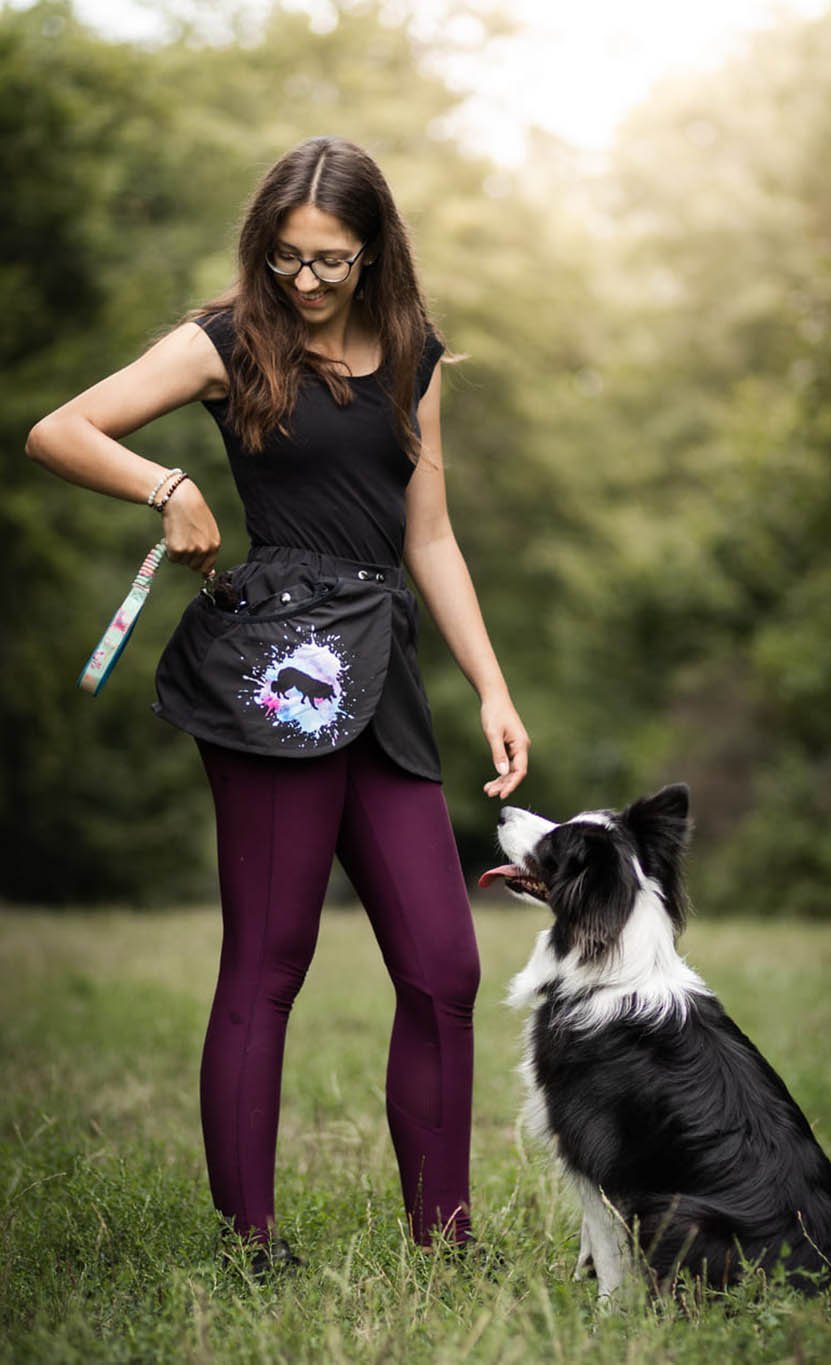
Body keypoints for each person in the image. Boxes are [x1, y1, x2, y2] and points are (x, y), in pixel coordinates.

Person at [26, 135, 530, 1274]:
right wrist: (167, 483)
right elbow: (60, 430)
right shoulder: (226, 340)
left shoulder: (413, 352)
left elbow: (432, 537)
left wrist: (492, 687)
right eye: (290, 258)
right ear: (267, 247)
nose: (307, 283)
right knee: (269, 960)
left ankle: (445, 1244)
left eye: (332, 262)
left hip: (385, 669)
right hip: (275, 675)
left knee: (444, 966)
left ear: (374, 252)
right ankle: (252, 1246)